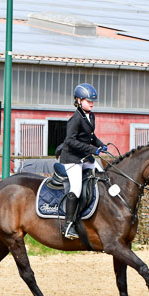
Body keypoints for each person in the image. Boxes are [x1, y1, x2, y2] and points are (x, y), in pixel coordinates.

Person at [59, 83, 107, 240]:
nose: (91, 103)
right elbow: (70, 141)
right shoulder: (75, 119)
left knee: (103, 175)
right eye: (88, 101)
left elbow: (91, 137)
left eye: (93, 101)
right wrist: (93, 150)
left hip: (84, 157)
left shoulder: (90, 116)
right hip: (72, 158)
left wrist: (101, 145)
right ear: (79, 100)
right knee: (76, 188)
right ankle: (68, 225)